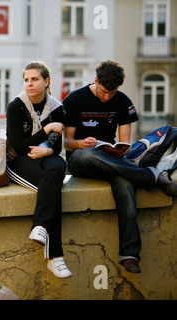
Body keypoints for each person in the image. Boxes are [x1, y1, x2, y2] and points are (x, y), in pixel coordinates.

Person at [63, 59, 177, 273]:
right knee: (88, 153)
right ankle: (151, 177)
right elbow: (67, 142)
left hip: (113, 160)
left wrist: (120, 150)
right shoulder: (75, 99)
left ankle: (130, 254)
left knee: (126, 187)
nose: (107, 97)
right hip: (81, 160)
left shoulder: (123, 102)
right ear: (96, 80)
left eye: (112, 93)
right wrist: (81, 143)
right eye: (104, 91)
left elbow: (125, 143)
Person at [6, 61, 72, 279]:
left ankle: (40, 227)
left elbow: (58, 147)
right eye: (26, 80)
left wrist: (47, 151)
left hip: (45, 156)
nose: (29, 84)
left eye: (34, 79)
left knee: (59, 166)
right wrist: (46, 130)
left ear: (46, 82)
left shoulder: (57, 108)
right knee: (52, 187)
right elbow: (19, 145)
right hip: (19, 160)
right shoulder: (16, 107)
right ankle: (56, 257)